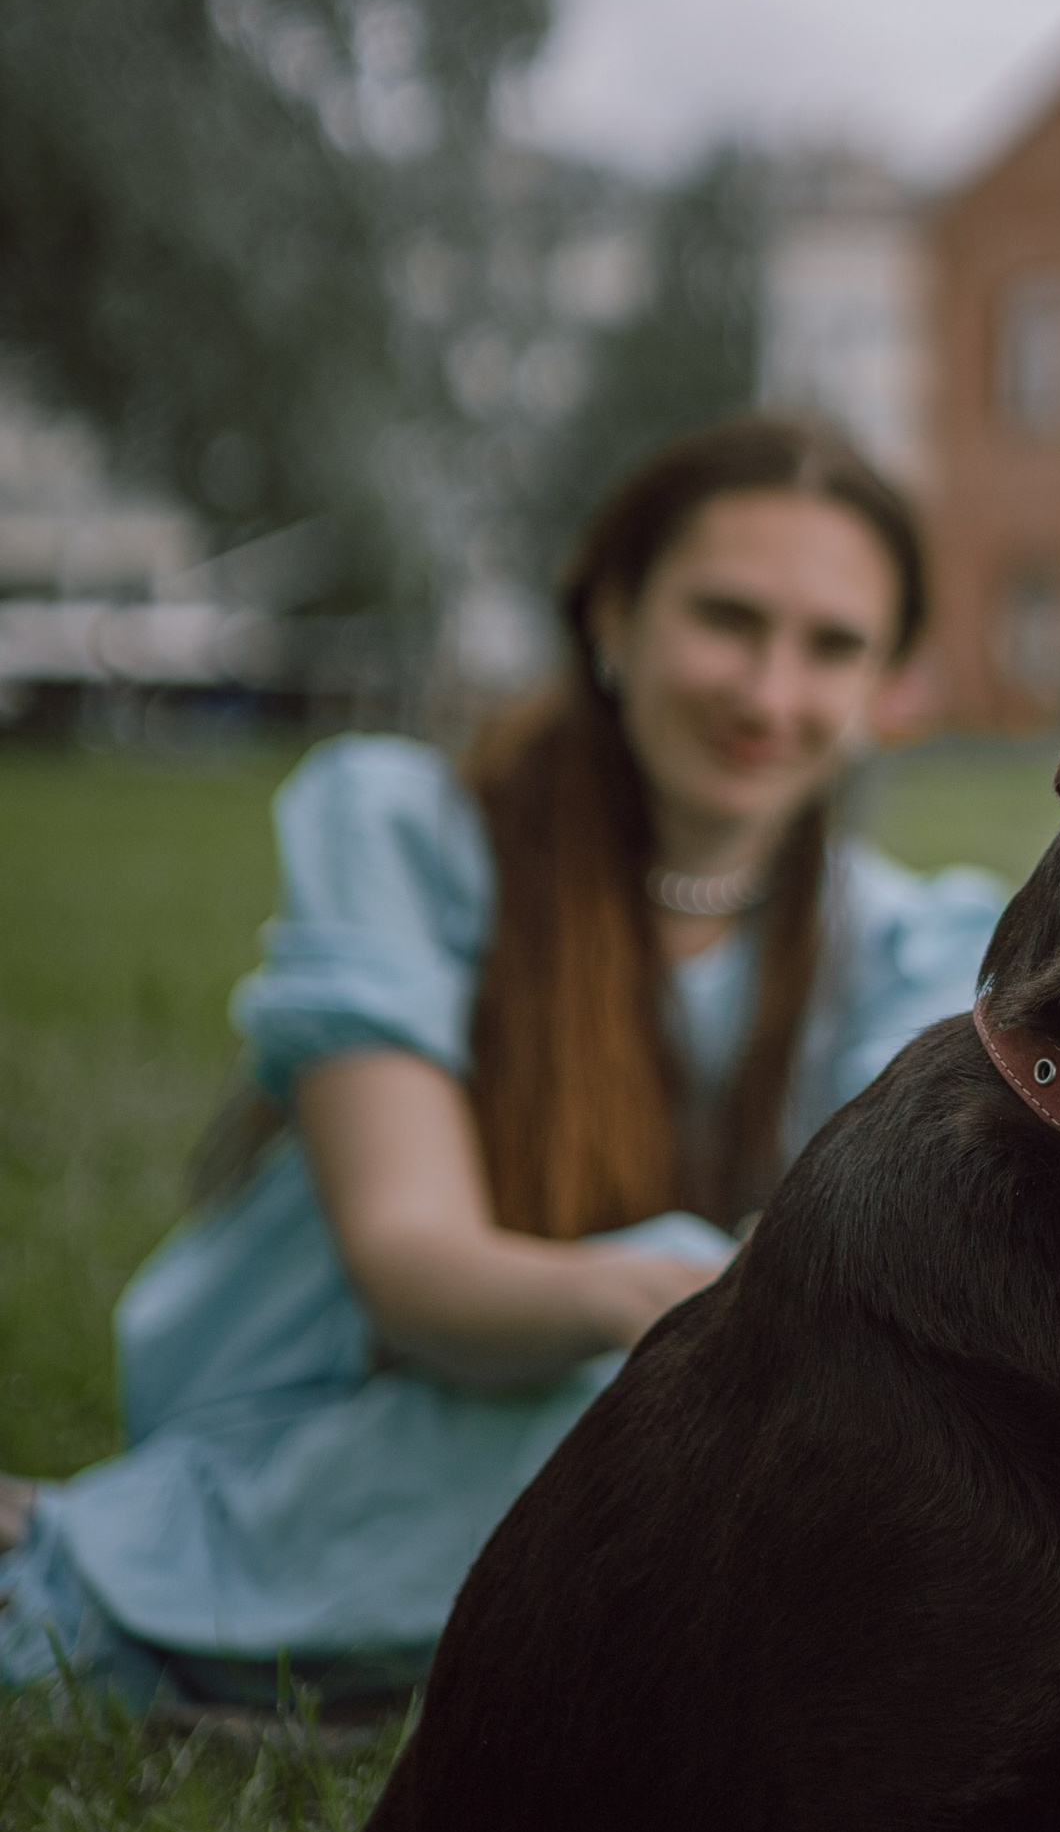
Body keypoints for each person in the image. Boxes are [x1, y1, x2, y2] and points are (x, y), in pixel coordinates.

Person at [0, 414, 1000, 1718]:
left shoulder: (911, 941)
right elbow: (413, 1267)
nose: (769, 693)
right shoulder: (409, 837)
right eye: (727, 620)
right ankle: (95, 1576)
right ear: (611, 616)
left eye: (832, 647)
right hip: (324, 1430)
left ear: (886, 688)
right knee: (742, 1434)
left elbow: (903, 1293)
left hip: (668, 1429)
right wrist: (682, 1301)